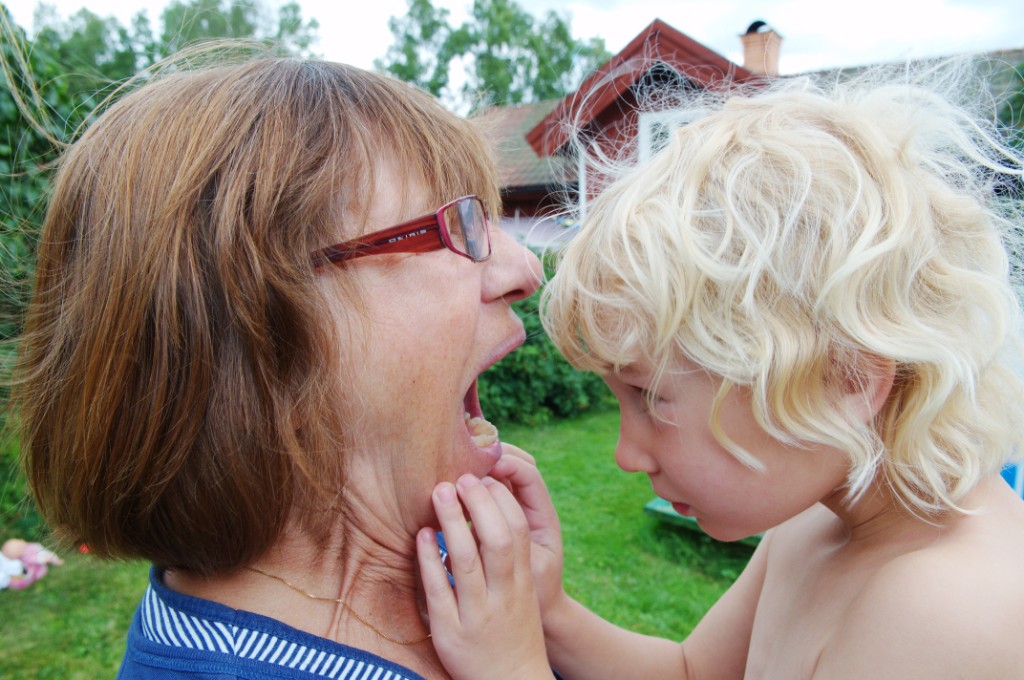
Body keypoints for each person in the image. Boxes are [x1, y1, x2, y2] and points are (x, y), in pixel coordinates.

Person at [416, 65, 1024, 679]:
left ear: (843, 381)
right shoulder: (819, 517)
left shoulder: (950, 612)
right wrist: (549, 611)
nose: (627, 454)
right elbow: (693, 672)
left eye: (651, 398)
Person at [9, 54, 544, 678]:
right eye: (462, 224)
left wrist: (548, 621)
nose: (525, 271)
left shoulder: (474, 595)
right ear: (263, 336)